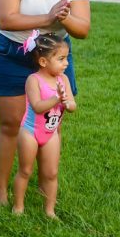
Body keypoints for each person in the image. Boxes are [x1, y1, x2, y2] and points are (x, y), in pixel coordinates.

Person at [0, 0, 90, 207]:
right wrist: (49, 17)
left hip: (55, 57)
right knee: (11, 124)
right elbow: (6, 18)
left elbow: (83, 29)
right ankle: (1, 191)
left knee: (51, 123)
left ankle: (44, 188)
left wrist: (64, 17)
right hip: (14, 51)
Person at [12, 32, 77, 219]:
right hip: (30, 132)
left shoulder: (63, 80)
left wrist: (67, 103)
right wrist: (56, 98)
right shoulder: (34, 80)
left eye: (67, 58)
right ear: (43, 62)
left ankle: (49, 210)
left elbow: (72, 105)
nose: (66, 63)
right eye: (61, 59)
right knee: (25, 170)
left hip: (51, 133)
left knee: (51, 173)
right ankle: (18, 206)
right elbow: (38, 107)